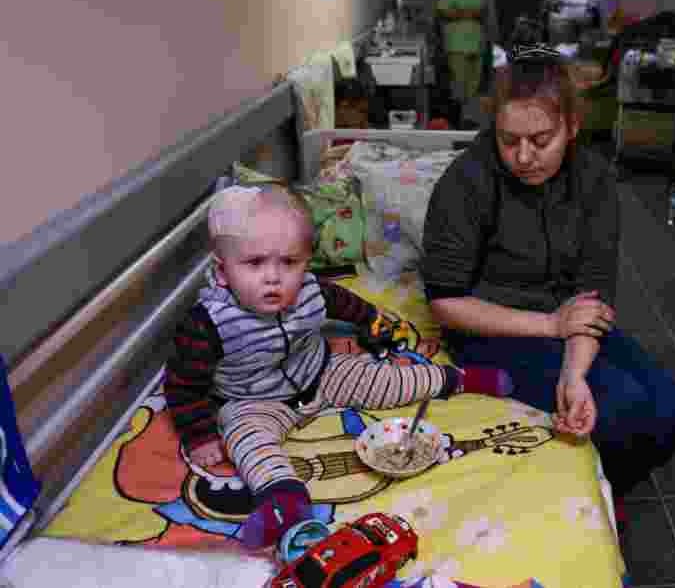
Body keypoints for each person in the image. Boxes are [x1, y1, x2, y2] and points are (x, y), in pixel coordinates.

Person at [421, 44, 675, 515]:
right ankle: (584, 506)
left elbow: (592, 291)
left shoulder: (593, 180)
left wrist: (574, 371)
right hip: (494, 327)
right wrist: (551, 326)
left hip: (571, 317)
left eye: (540, 140)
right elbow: (445, 301)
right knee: (623, 410)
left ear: (572, 127)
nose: (523, 156)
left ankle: (600, 489)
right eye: (508, 140)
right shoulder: (466, 181)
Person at [166, 183, 512, 549]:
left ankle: (454, 379)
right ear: (222, 272)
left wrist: (376, 325)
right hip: (254, 401)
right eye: (254, 263)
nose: (273, 277)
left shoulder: (312, 291)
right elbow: (182, 384)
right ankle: (284, 499)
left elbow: (349, 306)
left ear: (306, 262)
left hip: (321, 372)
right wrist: (199, 434)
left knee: (380, 380)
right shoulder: (207, 324)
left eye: (289, 262)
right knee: (246, 440)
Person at [437, 0, 487, 104]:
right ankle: (458, 122)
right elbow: (444, 12)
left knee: (474, 85)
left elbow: (483, 11)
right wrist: (469, 13)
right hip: (456, 44)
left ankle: (469, 119)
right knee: (458, 86)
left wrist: (460, 11)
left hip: (477, 42)